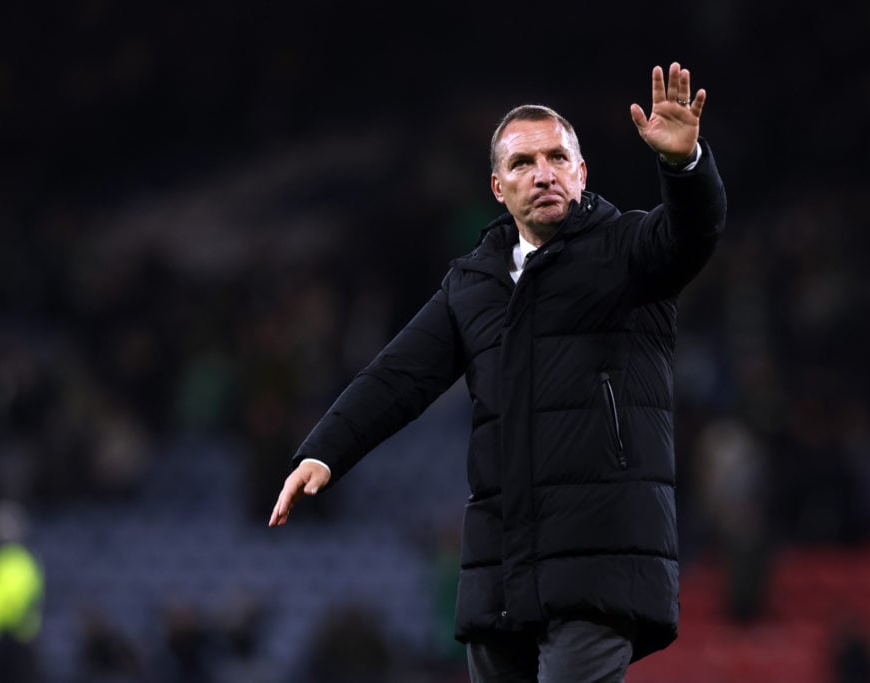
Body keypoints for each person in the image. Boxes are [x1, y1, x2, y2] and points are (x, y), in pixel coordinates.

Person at [269, 61, 727, 682]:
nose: (543, 174)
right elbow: (398, 376)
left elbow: (693, 235)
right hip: (502, 568)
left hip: (601, 559)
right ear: (496, 187)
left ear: (581, 172)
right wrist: (323, 451)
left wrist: (685, 166)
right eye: (522, 163)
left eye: (557, 158)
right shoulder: (473, 282)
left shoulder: (627, 251)